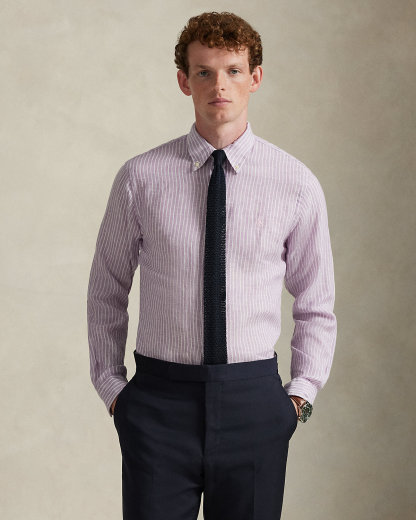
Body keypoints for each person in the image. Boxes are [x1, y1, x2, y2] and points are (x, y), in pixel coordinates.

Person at [87, 11, 337, 520]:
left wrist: (299, 397)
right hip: (158, 405)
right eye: (204, 71)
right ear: (184, 81)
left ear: (255, 77)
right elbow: (106, 290)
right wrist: (114, 391)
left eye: (233, 71)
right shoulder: (141, 178)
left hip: (255, 406)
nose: (219, 85)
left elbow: (316, 302)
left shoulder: (295, 184)